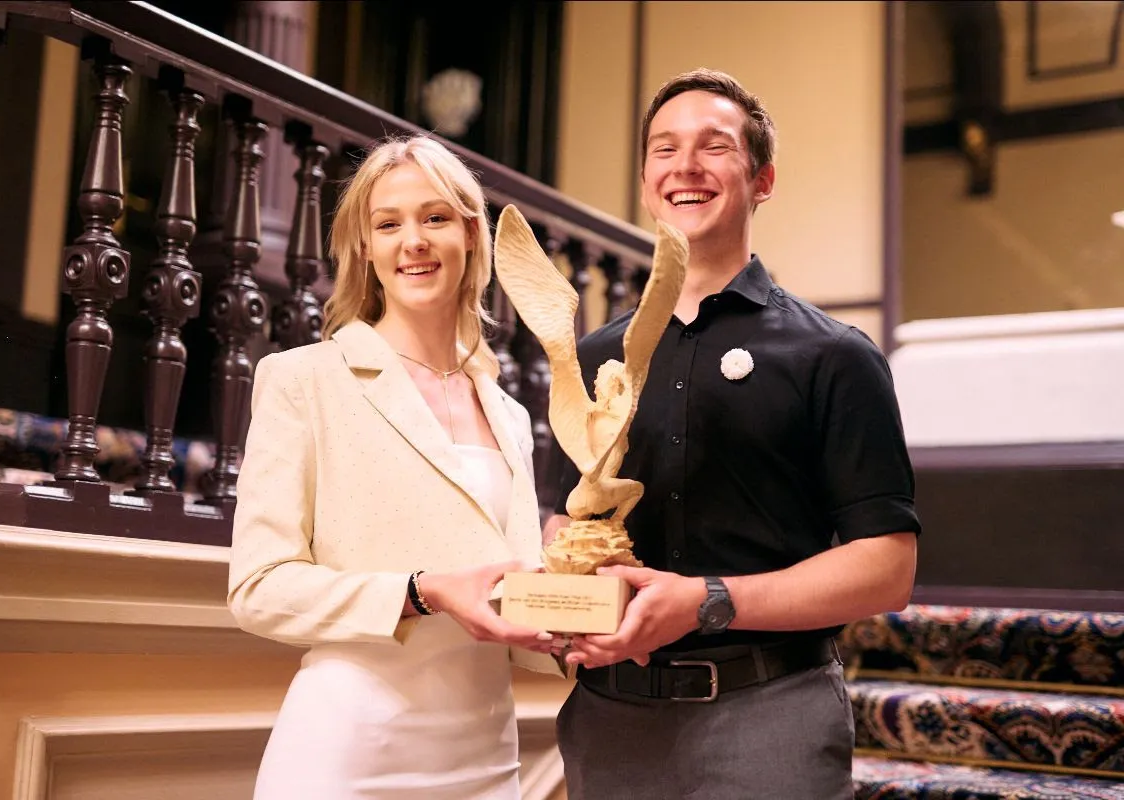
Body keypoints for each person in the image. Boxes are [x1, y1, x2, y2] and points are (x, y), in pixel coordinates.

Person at [544, 68, 922, 799]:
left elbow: (887, 568)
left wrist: (708, 599)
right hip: (608, 720)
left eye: (713, 147)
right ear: (647, 178)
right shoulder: (596, 360)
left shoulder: (833, 355)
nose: (684, 167)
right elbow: (567, 521)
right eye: (663, 149)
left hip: (769, 716)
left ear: (763, 179)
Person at [228, 133, 562, 800]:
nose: (413, 240)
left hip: (486, 757)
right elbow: (258, 589)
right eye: (389, 224)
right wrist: (421, 590)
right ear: (365, 247)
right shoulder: (303, 380)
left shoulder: (510, 414)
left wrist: (580, 604)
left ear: (471, 235)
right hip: (349, 754)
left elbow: (512, 614)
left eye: (435, 218)